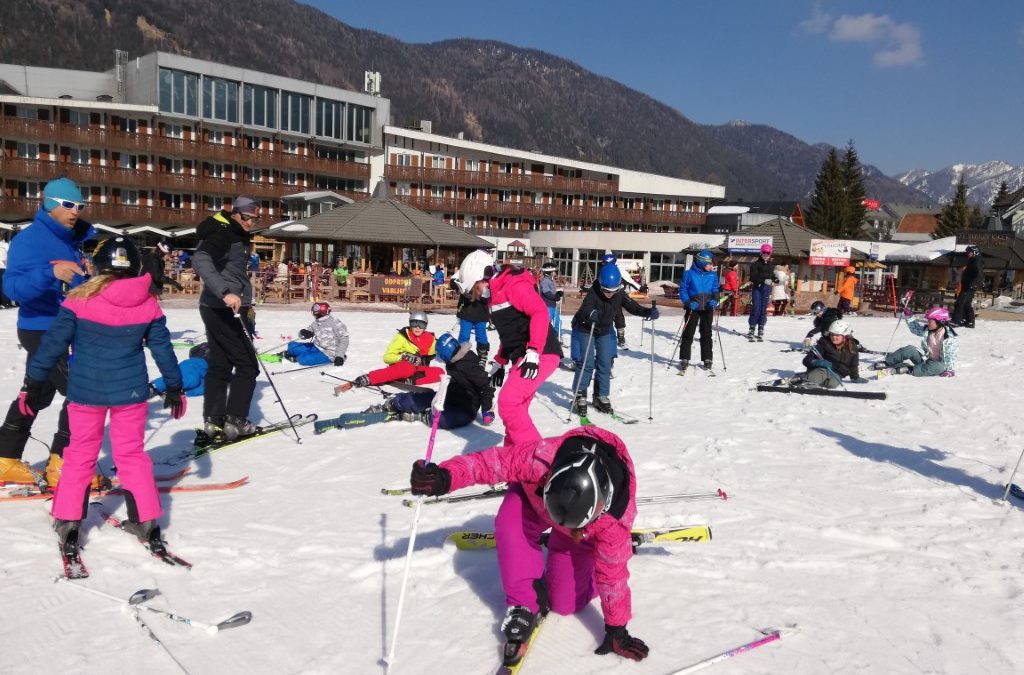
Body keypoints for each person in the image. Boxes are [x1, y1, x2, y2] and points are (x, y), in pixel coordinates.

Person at [409, 427, 649, 665]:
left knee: (565, 605)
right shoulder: (540, 458)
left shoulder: (614, 522)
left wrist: (617, 628)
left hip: (578, 535)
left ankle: (583, 551)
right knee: (510, 525)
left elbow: (612, 576)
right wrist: (444, 477)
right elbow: (487, 464)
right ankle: (523, 604)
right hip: (536, 503)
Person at [18, 236, 184, 554]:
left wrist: (33, 383)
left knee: (80, 455)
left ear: (98, 265)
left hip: (85, 392)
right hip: (130, 392)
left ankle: (68, 522)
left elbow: (52, 345)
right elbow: (163, 349)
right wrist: (174, 386)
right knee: (131, 456)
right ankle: (146, 521)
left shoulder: (79, 299)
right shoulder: (148, 302)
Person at [0, 178, 101, 486]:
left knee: (37, 392)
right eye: (68, 205)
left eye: (80, 206)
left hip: (62, 326)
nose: (75, 211)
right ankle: (64, 463)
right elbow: (12, 288)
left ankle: (4, 459)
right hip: (43, 328)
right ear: (50, 204)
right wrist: (50, 273)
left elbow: (72, 286)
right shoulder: (30, 240)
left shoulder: (69, 240)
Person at [454, 250, 562, 446]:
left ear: (483, 277)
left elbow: (540, 312)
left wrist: (533, 352)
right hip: (523, 356)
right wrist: (500, 361)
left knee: (508, 403)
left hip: (542, 352)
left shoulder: (514, 285)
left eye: (474, 289)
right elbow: (511, 331)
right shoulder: (495, 295)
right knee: (516, 411)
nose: (476, 295)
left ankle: (538, 459)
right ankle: (514, 462)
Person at [191, 195, 262, 442]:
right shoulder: (223, 233)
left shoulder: (235, 232)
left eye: (255, 219)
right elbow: (200, 259)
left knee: (220, 363)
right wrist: (225, 291)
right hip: (225, 307)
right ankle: (236, 420)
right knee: (248, 365)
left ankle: (214, 420)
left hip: (217, 307)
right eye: (246, 217)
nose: (250, 222)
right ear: (235, 213)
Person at [570, 265, 658, 415]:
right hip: (586, 328)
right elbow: (586, 308)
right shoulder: (594, 292)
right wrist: (591, 313)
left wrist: (647, 312)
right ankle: (579, 395)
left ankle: (600, 395)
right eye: (606, 290)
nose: (609, 294)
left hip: (604, 330)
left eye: (613, 291)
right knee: (587, 363)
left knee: (605, 362)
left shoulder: (619, 294)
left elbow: (632, 307)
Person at [362, 333, 495, 429]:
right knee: (419, 398)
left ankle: (419, 416)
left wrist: (487, 409)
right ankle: (392, 404)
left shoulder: (468, 365)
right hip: (448, 398)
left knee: (444, 419)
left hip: (465, 409)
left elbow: (486, 385)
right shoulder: (453, 362)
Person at [340, 311, 445, 391]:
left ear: (425, 326)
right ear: (410, 324)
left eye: (421, 324)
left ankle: (407, 381)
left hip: (418, 369)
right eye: (414, 323)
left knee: (440, 372)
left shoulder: (429, 338)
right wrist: (403, 356)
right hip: (402, 366)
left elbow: (439, 351)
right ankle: (369, 378)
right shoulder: (402, 337)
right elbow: (387, 357)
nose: (417, 327)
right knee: (407, 369)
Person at [875, 307, 959, 377]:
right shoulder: (928, 331)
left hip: (939, 364)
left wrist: (950, 370)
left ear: (941, 322)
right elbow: (915, 328)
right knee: (909, 349)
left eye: (930, 321)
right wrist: (909, 316)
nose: (928, 323)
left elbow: (951, 356)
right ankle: (887, 362)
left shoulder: (949, 338)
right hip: (926, 360)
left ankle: (911, 370)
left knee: (939, 367)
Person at [677, 249, 719, 373]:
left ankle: (707, 358)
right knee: (688, 333)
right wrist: (688, 302)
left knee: (706, 333)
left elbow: (716, 290)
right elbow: (683, 290)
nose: (712, 266)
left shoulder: (712, 275)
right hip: (693, 307)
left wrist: (715, 300)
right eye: (710, 264)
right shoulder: (688, 274)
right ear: (702, 262)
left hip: (707, 307)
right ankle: (684, 358)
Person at [794, 319, 861, 388]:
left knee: (832, 384)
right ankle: (808, 382)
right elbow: (806, 360)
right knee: (822, 372)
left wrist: (855, 378)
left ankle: (804, 377)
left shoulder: (853, 348)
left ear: (845, 336)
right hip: (820, 370)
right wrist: (817, 362)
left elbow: (853, 365)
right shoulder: (824, 344)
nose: (834, 337)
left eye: (837, 335)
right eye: (832, 334)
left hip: (837, 374)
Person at [281, 302, 349, 366]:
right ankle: (297, 353)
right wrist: (303, 332)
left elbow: (344, 339)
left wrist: (340, 355)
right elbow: (304, 334)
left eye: (317, 314)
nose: (316, 316)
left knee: (304, 359)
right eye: (315, 314)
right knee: (291, 345)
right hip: (316, 347)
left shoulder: (335, 323)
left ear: (324, 312)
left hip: (329, 353)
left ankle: (298, 357)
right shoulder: (316, 323)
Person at [455, 280, 491, 365]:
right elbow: (455, 281)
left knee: (481, 335)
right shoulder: (467, 269)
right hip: (467, 311)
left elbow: (489, 291)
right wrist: (459, 285)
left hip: (481, 312)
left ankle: (482, 354)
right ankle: (462, 354)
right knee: (464, 335)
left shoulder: (485, 273)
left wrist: (485, 287)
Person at [747, 244, 773, 340]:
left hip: (766, 289)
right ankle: (752, 327)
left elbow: (772, 277)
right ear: (761, 253)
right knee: (756, 308)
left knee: (763, 309)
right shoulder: (755, 264)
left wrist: (776, 279)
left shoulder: (770, 265)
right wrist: (763, 280)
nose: (766, 254)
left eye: (768, 253)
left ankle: (761, 327)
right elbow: (753, 277)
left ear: (770, 254)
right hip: (757, 288)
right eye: (764, 253)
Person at [952, 245, 981, 328]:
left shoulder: (976, 262)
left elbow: (979, 275)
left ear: (975, 252)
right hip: (967, 286)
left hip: (969, 287)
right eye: (967, 252)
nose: (968, 254)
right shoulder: (973, 261)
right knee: (966, 304)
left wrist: (973, 285)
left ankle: (956, 321)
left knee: (960, 303)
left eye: (970, 252)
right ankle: (970, 322)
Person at [538, 259, 563, 337]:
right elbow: (547, 293)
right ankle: (544, 337)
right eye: (554, 271)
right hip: (547, 305)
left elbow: (551, 292)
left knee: (557, 321)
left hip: (553, 305)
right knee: (547, 322)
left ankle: (556, 336)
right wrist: (555, 296)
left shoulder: (550, 280)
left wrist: (558, 293)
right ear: (550, 272)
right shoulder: (545, 281)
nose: (555, 273)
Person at [0, 232, 12, 308]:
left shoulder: (6, 245)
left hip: (3, 268)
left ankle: (6, 302)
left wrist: (7, 262)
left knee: (3, 286)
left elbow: (10, 254)